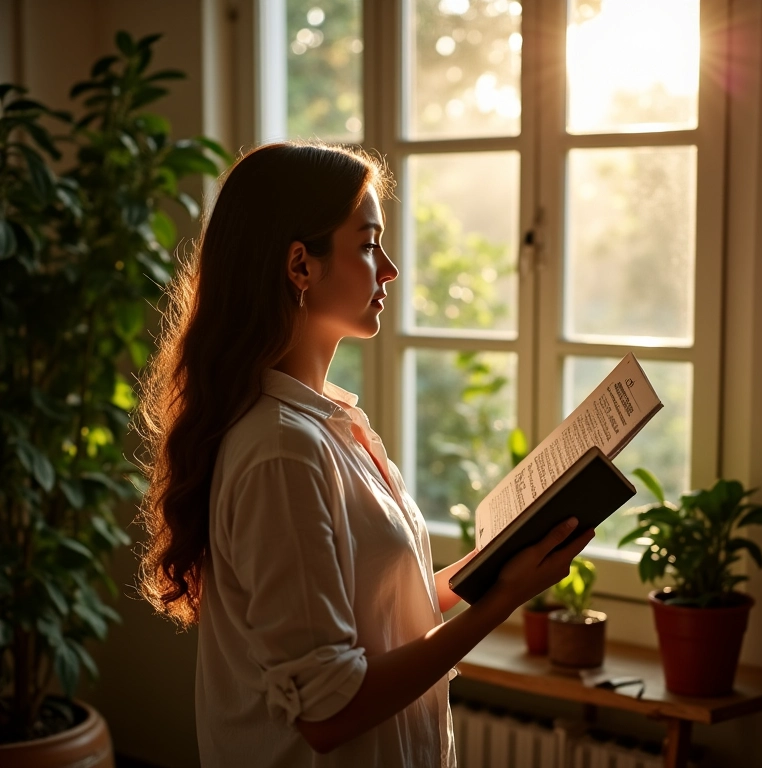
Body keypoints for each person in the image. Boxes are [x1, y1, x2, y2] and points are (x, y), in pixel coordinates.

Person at [137, 141, 594, 768]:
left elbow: (382, 609)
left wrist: (498, 560)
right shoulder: (282, 451)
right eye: (367, 243)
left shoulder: (332, 422)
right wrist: (499, 603)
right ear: (300, 265)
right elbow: (328, 711)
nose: (390, 269)